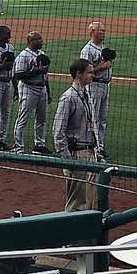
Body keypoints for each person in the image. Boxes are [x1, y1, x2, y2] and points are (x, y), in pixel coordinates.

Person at [54, 59, 99, 211]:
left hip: (91, 153)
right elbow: (58, 131)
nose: (93, 75)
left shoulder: (87, 95)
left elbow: (92, 124)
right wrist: (67, 160)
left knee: (92, 201)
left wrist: (97, 150)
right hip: (76, 155)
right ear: (79, 74)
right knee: (76, 203)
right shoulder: (68, 98)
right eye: (90, 72)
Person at [11, 31, 51, 154]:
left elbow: (45, 75)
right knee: (23, 118)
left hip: (42, 88)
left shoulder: (41, 54)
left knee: (41, 118)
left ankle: (39, 145)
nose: (41, 41)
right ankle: (19, 147)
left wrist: (48, 92)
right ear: (31, 41)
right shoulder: (23, 56)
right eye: (38, 39)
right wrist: (36, 71)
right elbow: (18, 75)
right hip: (28, 88)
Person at [79, 21, 113, 155]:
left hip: (105, 85)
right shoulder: (87, 50)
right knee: (94, 118)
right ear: (92, 32)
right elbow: (83, 71)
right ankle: (95, 146)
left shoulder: (103, 47)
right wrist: (101, 67)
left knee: (102, 118)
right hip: (94, 86)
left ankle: (100, 146)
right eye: (101, 31)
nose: (103, 33)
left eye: (104, 31)